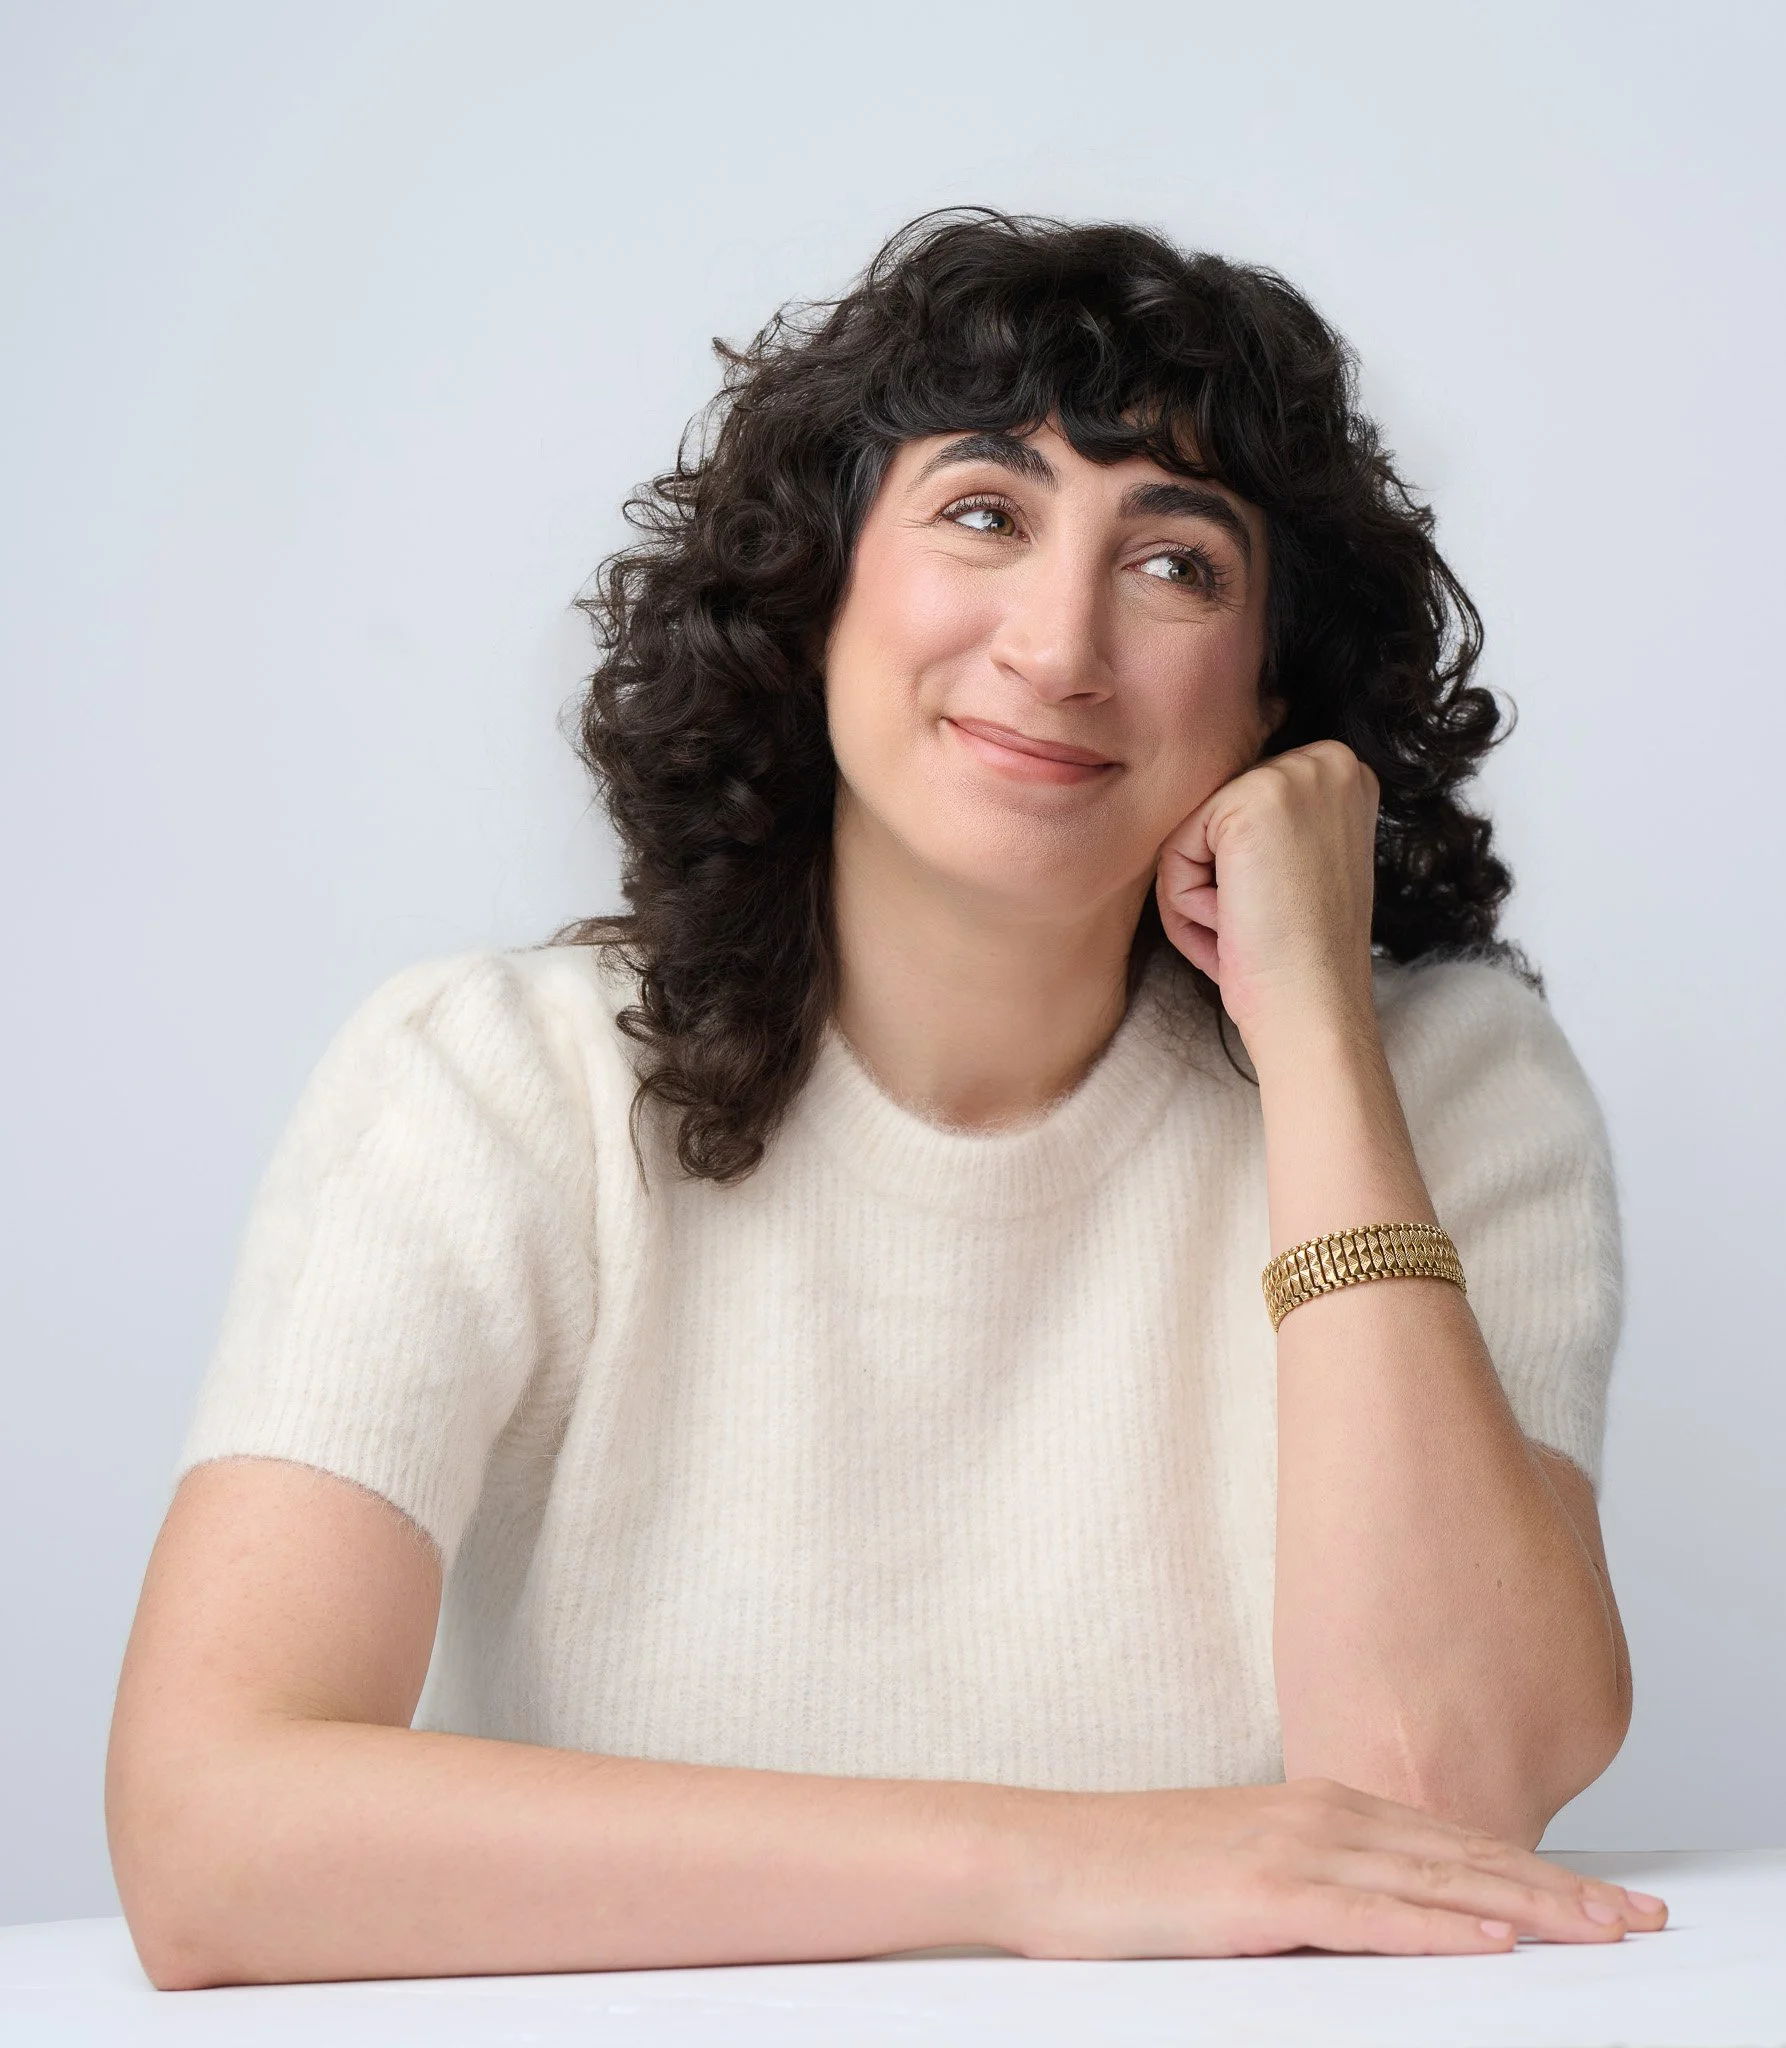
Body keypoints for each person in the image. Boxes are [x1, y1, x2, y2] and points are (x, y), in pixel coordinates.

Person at [105, 208, 1666, 1990]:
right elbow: (209, 1842)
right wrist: (1053, 1865)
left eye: (1176, 566)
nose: (1059, 646)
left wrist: (1314, 1022)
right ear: (819, 587)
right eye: (984, 515)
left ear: (1272, 702)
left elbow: (1437, 1790)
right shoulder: (491, 1087)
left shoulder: (1445, 1084)